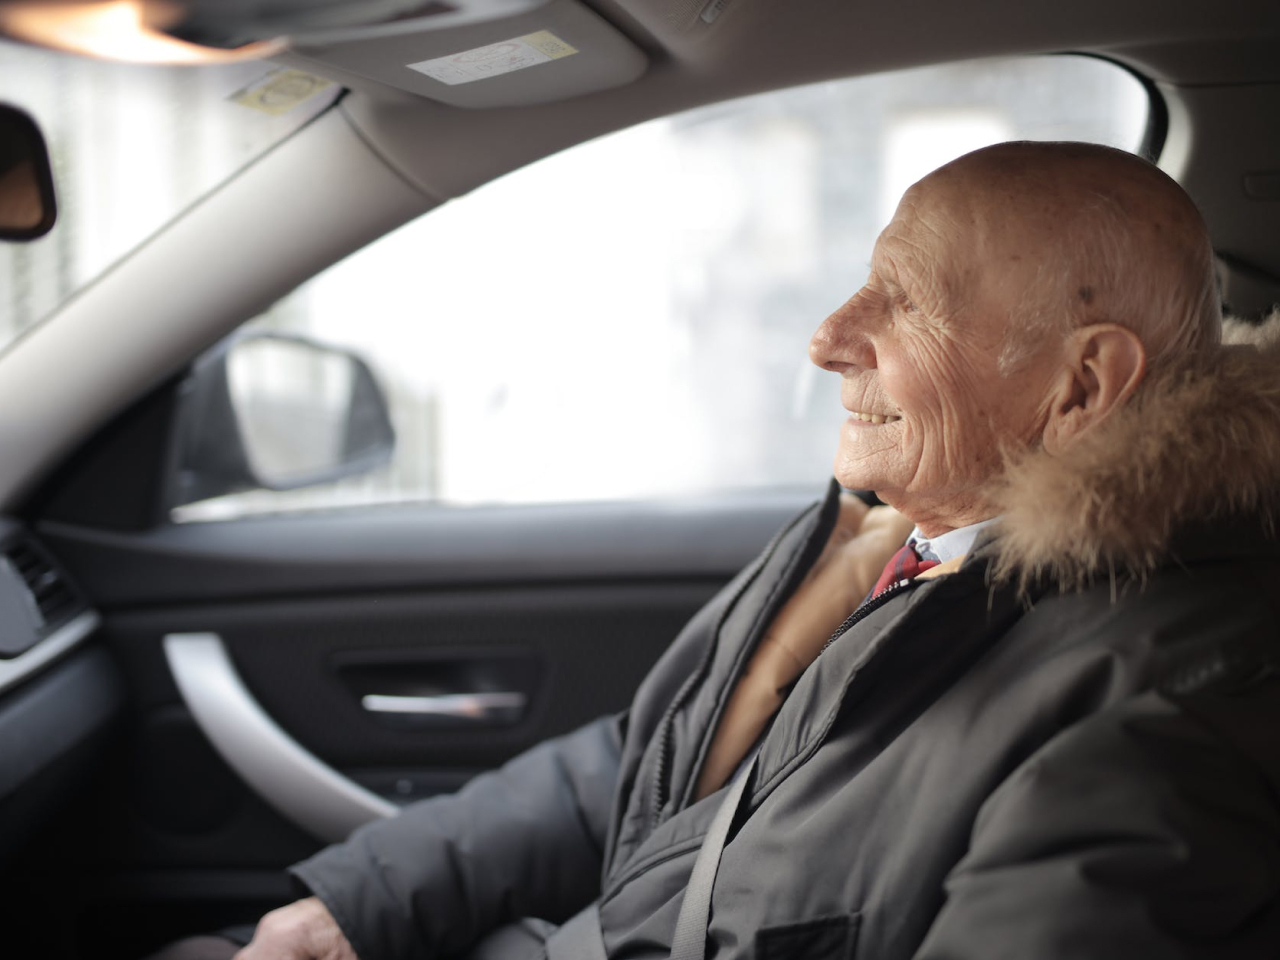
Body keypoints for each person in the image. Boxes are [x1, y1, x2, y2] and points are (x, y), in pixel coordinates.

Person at [156, 140, 1280, 960]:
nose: (827, 337)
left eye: (907, 302)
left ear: (1081, 385)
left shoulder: (1175, 706)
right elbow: (657, 764)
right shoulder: (894, 537)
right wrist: (357, 907)